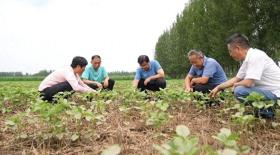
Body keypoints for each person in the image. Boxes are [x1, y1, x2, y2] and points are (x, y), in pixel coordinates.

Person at [210, 33, 280, 118]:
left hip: (276, 94)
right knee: (239, 88)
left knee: (240, 90)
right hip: (269, 93)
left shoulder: (256, 56)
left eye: (230, 51)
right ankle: (265, 110)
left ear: (237, 48)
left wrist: (236, 85)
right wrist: (219, 87)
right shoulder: (247, 59)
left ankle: (266, 112)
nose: (230, 54)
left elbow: (248, 83)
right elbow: (236, 78)